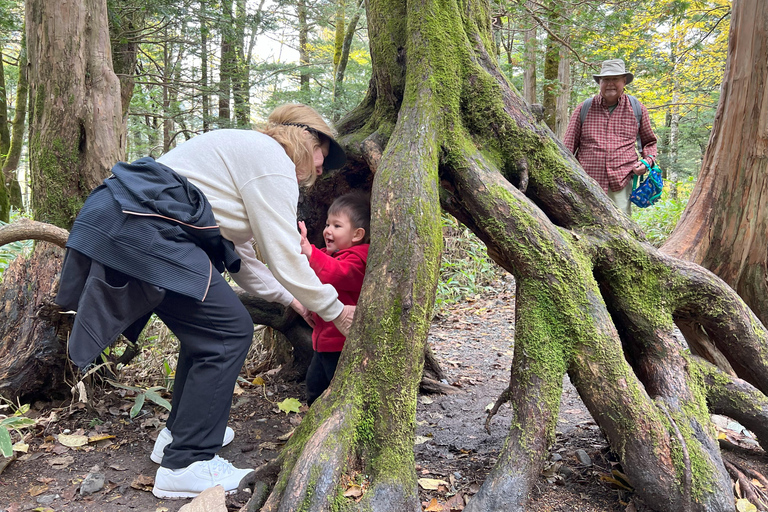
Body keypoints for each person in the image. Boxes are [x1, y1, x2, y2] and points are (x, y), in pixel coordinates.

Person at [54, 103, 355, 499]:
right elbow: (284, 254)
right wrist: (335, 310)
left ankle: (180, 437)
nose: (322, 168)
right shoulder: (272, 162)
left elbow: (245, 261)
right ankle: (188, 462)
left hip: (125, 217)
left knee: (210, 333)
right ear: (304, 139)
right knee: (228, 332)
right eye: (322, 154)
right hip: (144, 225)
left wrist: (297, 302)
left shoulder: (247, 158)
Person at [297, 192, 370, 405]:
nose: (328, 230)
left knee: (337, 393)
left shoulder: (358, 260)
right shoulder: (331, 257)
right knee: (314, 387)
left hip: (341, 344)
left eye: (337, 226)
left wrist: (310, 252)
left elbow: (336, 273)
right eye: (328, 224)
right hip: (323, 341)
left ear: (357, 235)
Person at [563, 59, 658, 215]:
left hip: (620, 183)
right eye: (606, 79)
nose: (610, 84)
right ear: (600, 82)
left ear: (624, 81)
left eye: (615, 79)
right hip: (587, 182)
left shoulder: (637, 109)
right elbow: (567, 147)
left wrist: (646, 162)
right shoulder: (584, 108)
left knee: (621, 228)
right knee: (586, 226)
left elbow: (650, 142)